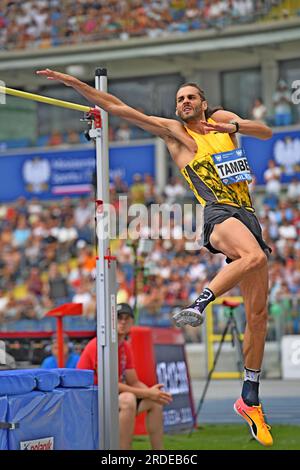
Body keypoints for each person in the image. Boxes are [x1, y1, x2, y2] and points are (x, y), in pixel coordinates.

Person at [37, 68, 273, 446]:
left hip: (248, 216)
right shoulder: (174, 133)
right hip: (217, 213)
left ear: (203, 103)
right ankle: (200, 302)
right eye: (179, 99)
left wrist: (235, 128)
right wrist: (77, 85)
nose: (184, 103)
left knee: (258, 317)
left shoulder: (224, 120)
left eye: (190, 97)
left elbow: (266, 132)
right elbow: (119, 108)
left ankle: (250, 397)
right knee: (255, 258)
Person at [77, 303, 172, 450]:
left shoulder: (125, 346)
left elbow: (133, 381)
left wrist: (154, 393)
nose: (122, 321)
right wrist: (148, 392)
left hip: (108, 397)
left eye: (127, 318)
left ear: (132, 323)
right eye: (119, 318)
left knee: (155, 402)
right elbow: (110, 384)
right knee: (128, 400)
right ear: (110, 322)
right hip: (89, 399)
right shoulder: (99, 345)